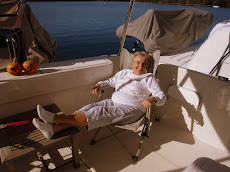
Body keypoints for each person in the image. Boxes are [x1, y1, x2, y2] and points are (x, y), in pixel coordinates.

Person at [32, 51, 166, 139]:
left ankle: (55, 119)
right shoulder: (123, 73)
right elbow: (110, 82)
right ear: (132, 63)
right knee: (87, 108)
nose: (140, 65)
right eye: (138, 62)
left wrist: (153, 99)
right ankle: (52, 129)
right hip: (113, 102)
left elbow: (161, 96)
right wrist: (99, 85)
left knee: (97, 112)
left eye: (144, 64)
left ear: (147, 66)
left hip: (132, 109)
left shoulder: (148, 78)